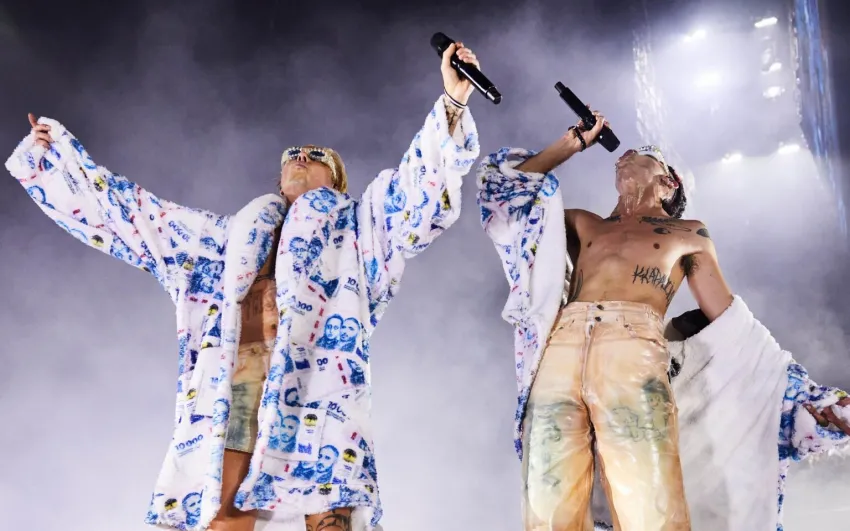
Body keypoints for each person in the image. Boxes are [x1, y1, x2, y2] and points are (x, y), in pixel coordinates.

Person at [7, 42, 481, 531]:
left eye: (316, 155)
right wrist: (59, 159)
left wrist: (452, 103)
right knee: (221, 516)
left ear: (337, 181)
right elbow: (137, 217)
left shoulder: (361, 230)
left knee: (331, 517)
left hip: (322, 392)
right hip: (235, 383)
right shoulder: (224, 241)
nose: (300, 157)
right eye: (291, 155)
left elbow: (416, 190)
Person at [477, 114, 734, 530]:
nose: (624, 156)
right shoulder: (584, 224)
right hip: (560, 349)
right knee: (547, 496)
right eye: (623, 154)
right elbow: (508, 197)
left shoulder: (687, 232)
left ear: (669, 182)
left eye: (642, 154)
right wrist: (571, 144)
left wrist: (794, 388)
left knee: (649, 498)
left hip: (632, 350)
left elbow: (729, 319)